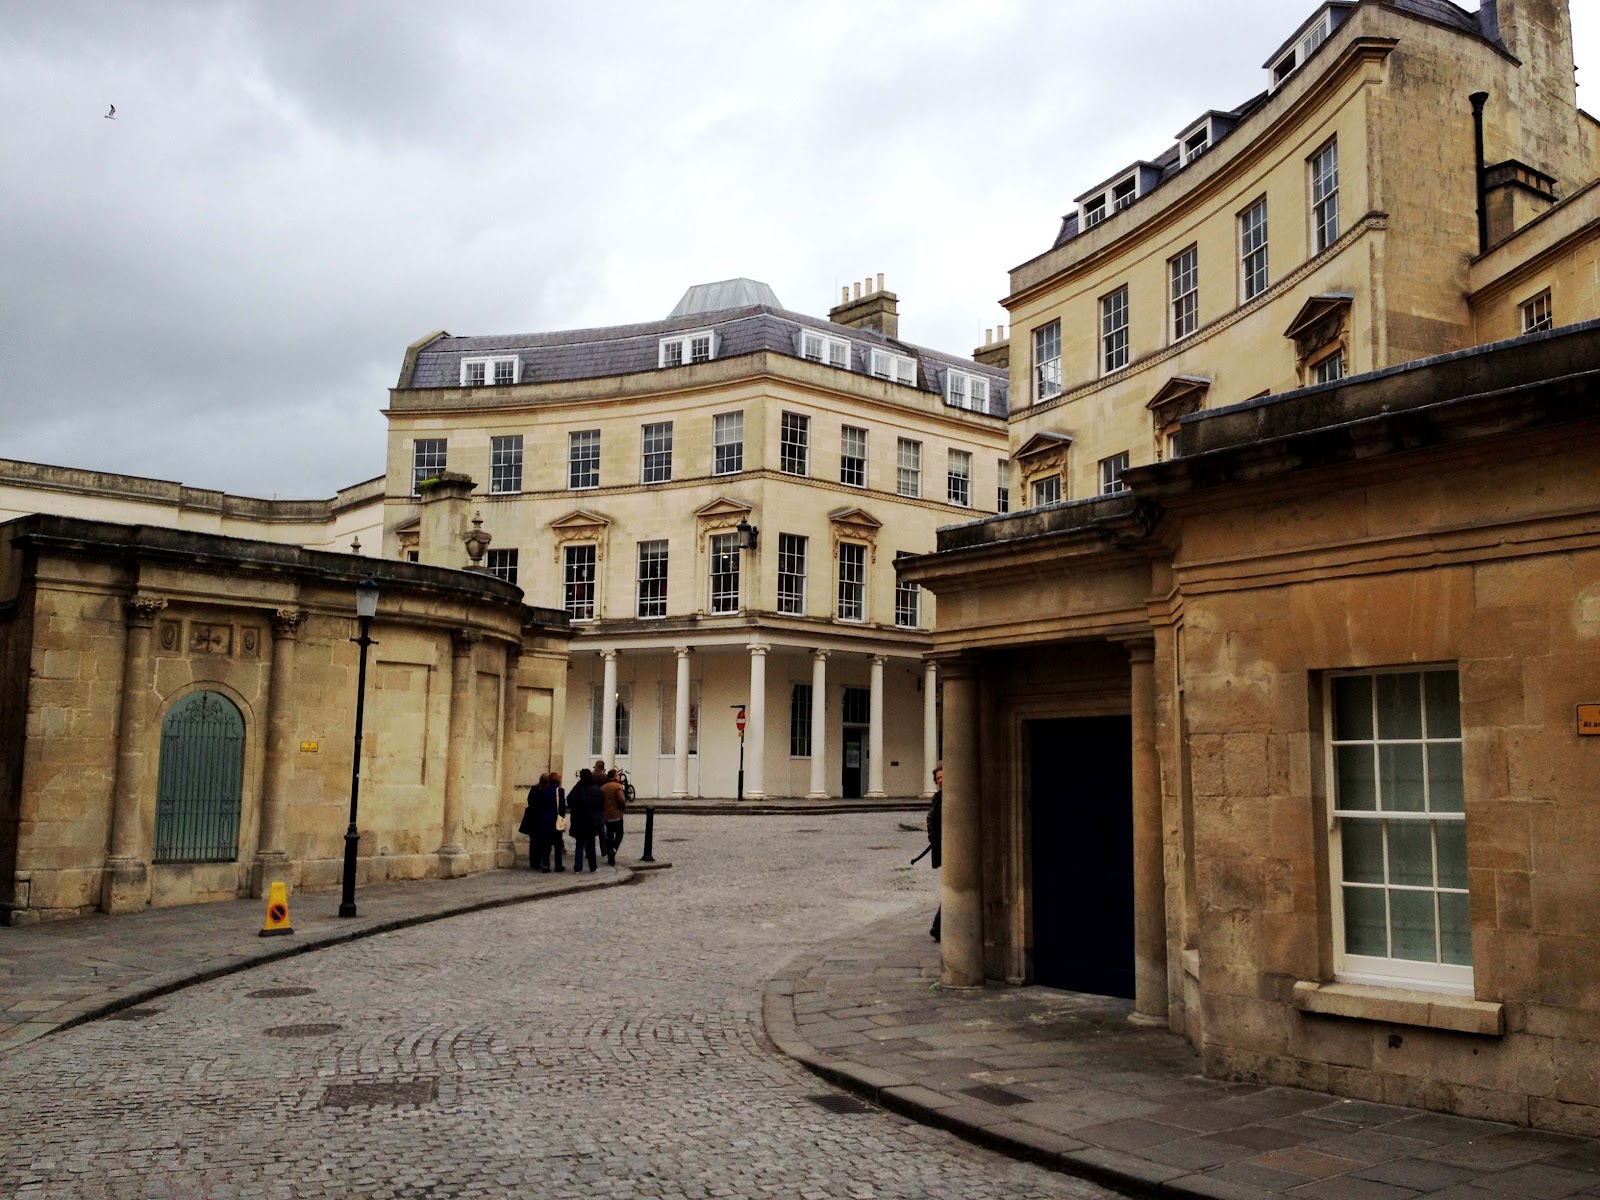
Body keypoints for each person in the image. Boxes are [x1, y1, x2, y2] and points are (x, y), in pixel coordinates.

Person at [568, 768, 605, 874]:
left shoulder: (577, 789)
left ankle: (578, 867)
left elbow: (570, 801)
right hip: (591, 820)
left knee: (579, 844)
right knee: (591, 845)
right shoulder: (595, 789)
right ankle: (593, 867)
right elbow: (601, 804)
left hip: (579, 820)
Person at [927, 764, 943, 941]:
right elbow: (931, 819)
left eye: (942, 777)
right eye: (938, 779)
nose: (940, 781)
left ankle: (938, 926)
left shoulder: (949, 797)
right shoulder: (937, 798)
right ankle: (938, 926)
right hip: (941, 847)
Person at [600, 768, 628, 866]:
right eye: (617, 775)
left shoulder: (603, 788)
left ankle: (609, 855)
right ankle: (614, 849)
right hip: (617, 814)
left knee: (609, 835)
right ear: (614, 776)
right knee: (619, 833)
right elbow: (622, 800)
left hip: (607, 816)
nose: (619, 776)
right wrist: (622, 808)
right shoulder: (617, 786)